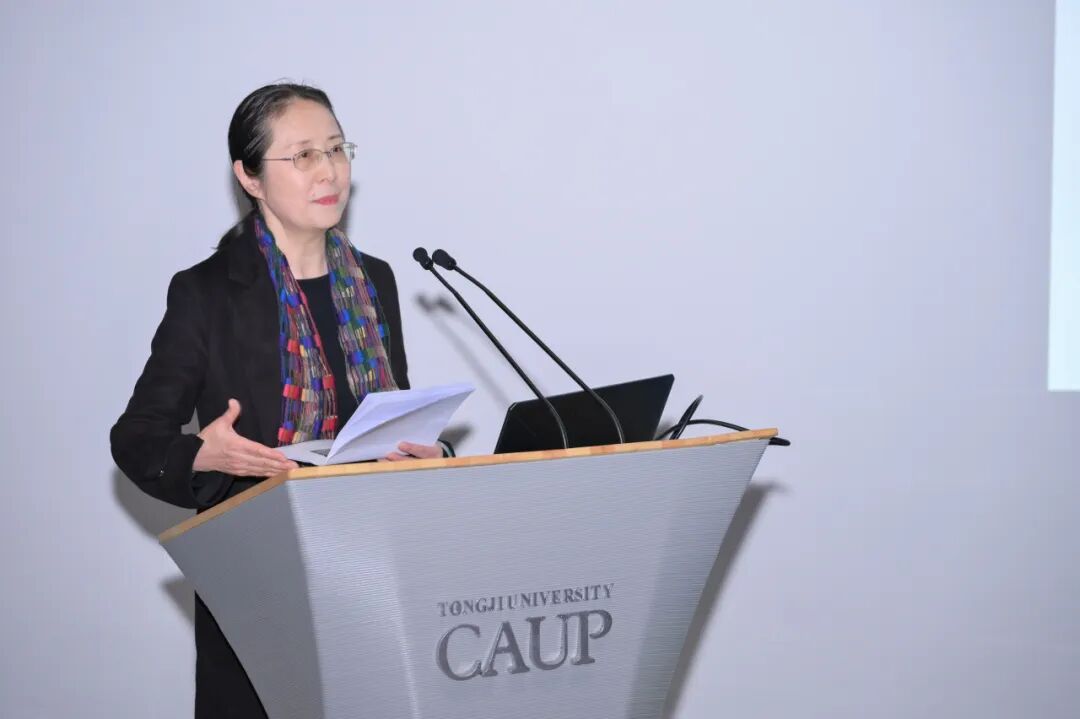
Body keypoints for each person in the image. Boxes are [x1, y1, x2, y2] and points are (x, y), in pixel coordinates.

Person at [110, 82, 445, 718]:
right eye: (303, 155)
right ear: (250, 176)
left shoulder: (374, 281)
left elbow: (387, 415)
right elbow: (136, 437)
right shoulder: (207, 293)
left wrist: (425, 452)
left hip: (369, 575)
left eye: (336, 149)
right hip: (258, 582)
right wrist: (203, 455)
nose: (329, 171)